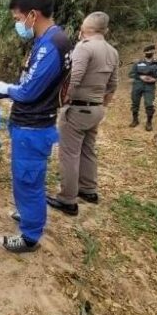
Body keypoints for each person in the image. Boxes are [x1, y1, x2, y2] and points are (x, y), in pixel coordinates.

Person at [0, 0, 72, 253]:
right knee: (25, 178)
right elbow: (33, 82)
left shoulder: (52, 45)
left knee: (28, 180)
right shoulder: (47, 41)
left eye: (17, 18)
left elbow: (29, 90)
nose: (18, 24)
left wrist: (2, 90)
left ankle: (29, 236)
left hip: (34, 127)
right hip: (31, 125)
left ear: (32, 15)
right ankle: (26, 213)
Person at [46, 12, 119, 216]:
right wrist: (102, 105)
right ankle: (88, 190)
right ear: (105, 30)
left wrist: (60, 102)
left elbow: (72, 80)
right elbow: (113, 85)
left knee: (69, 154)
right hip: (96, 108)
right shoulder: (112, 51)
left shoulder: (84, 48)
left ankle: (67, 199)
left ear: (84, 28)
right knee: (88, 149)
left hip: (77, 108)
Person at [129, 44, 157, 131]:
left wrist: (155, 79)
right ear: (144, 52)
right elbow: (131, 74)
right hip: (138, 85)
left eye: (151, 51)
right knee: (135, 103)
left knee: (149, 104)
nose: (149, 52)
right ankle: (135, 120)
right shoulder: (138, 62)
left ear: (153, 52)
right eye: (147, 51)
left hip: (150, 86)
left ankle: (149, 122)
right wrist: (140, 77)